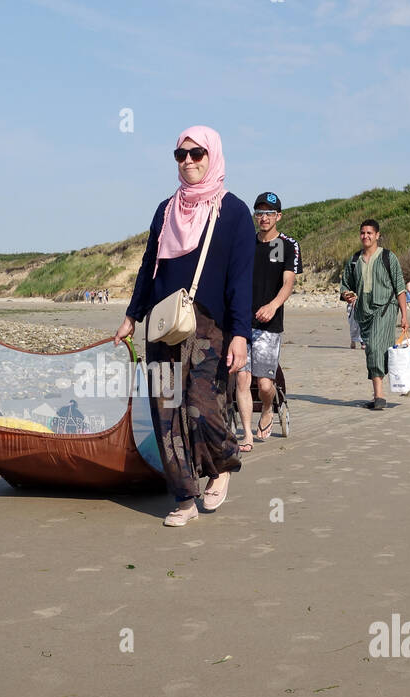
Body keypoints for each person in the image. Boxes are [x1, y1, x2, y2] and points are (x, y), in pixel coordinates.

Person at [115, 126, 252, 527]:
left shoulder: (235, 212)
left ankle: (223, 462)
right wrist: (131, 316)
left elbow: (240, 280)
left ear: (213, 156)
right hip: (162, 324)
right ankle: (184, 496)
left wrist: (240, 334)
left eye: (197, 154)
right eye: (181, 155)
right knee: (166, 412)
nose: (189, 161)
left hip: (209, 326)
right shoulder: (165, 210)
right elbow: (148, 267)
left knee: (202, 407)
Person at [235, 191, 299, 451]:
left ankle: (269, 408)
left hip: (269, 324)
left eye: (269, 213)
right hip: (242, 321)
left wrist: (273, 306)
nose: (264, 217)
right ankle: (248, 435)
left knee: (263, 384)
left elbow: (288, 281)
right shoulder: (246, 244)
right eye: (259, 212)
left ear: (278, 216)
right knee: (241, 379)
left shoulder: (286, 245)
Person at [340, 219, 409, 410]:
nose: (366, 236)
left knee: (375, 348)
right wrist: (347, 294)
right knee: (372, 349)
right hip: (364, 312)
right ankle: (378, 392)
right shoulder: (354, 260)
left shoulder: (388, 257)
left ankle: (379, 396)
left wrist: (404, 316)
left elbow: (400, 288)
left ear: (377, 235)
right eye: (363, 233)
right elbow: (346, 284)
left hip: (385, 308)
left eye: (370, 233)